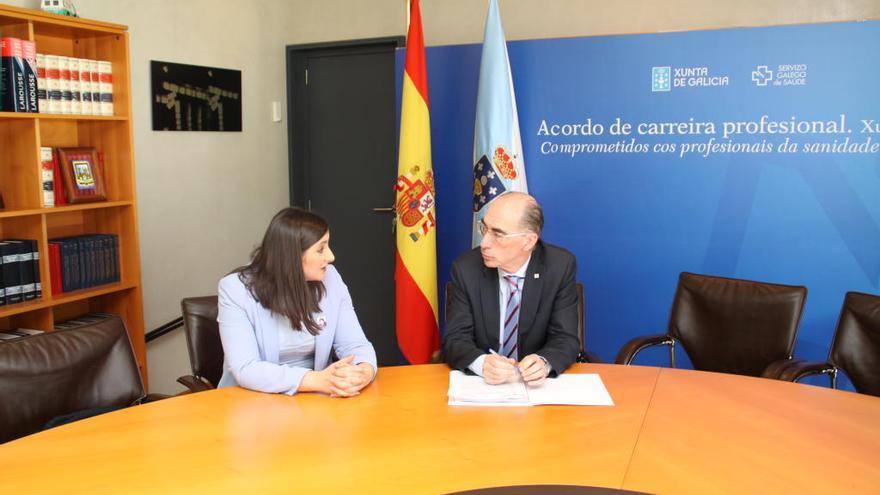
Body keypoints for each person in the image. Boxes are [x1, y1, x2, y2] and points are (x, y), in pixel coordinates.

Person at [217, 207, 377, 397]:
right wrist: (316, 380)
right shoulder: (235, 289)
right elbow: (247, 368)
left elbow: (355, 345)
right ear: (292, 255)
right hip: (252, 399)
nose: (331, 257)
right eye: (320, 249)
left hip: (317, 398)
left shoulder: (331, 278)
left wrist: (363, 372)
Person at [443, 192, 579, 387]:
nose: (484, 243)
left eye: (498, 234)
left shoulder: (559, 266)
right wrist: (482, 364)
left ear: (529, 241)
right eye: (484, 229)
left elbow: (565, 338)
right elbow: (455, 339)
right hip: (483, 388)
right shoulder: (466, 268)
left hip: (537, 389)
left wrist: (544, 362)